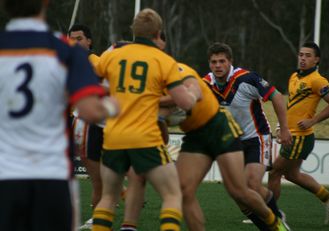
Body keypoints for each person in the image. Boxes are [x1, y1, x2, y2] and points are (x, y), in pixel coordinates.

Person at [0, 0, 119, 231]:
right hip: (51, 173)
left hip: (5, 173)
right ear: (46, 3)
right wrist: (115, 106)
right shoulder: (67, 51)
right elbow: (90, 111)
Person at [91, 8, 201, 231]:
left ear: (133, 31)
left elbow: (92, 81)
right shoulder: (163, 60)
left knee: (108, 197)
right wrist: (195, 92)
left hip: (113, 137)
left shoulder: (112, 55)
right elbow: (185, 103)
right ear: (158, 33)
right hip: (145, 138)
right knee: (172, 194)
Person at [203, 42, 292, 229]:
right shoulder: (205, 84)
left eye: (222, 61)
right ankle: (267, 226)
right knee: (238, 194)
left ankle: (277, 217)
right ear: (209, 64)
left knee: (251, 184)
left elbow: (276, 96)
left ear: (230, 62)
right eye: (213, 62)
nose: (217, 65)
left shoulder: (247, 78)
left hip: (256, 138)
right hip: (230, 143)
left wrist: (284, 128)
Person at [268, 41, 329, 225]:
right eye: (301, 55)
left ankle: (271, 215)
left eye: (308, 55)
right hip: (291, 134)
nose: (303, 58)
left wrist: (313, 120)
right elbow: (291, 106)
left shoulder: (318, 80)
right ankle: (328, 198)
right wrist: (281, 126)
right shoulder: (294, 76)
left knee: (275, 173)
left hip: (300, 137)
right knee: (291, 175)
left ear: (316, 60)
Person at [68, 24, 128, 230]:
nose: (74, 43)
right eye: (71, 39)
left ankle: (102, 215)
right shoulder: (74, 61)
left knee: (98, 176)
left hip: (92, 122)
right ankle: (118, 197)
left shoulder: (94, 61)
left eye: (78, 39)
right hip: (84, 120)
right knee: (99, 173)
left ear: (89, 41)